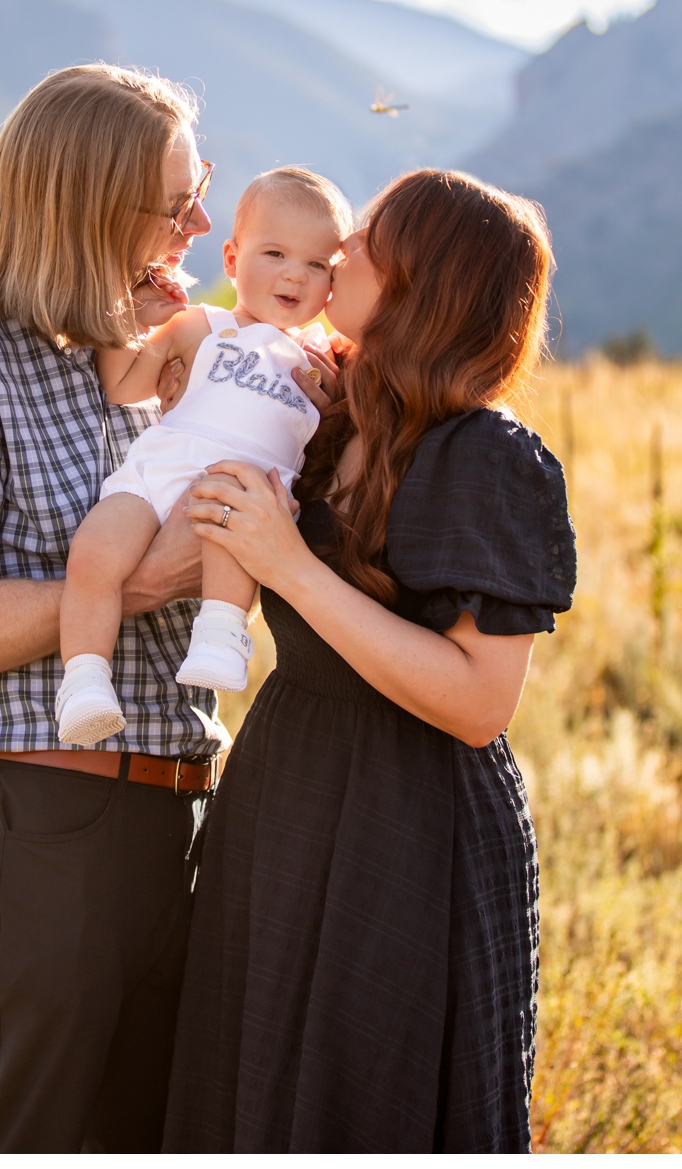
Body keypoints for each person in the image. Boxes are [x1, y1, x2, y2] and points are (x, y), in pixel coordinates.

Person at [164, 169, 575, 1152]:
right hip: (288, 786)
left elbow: (479, 703)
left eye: (368, 242)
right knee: (254, 1081)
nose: (340, 253)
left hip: (409, 818)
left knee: (366, 1094)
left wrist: (290, 568)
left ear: (421, 284)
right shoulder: (334, 411)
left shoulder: (484, 455)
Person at [0, 62, 223, 1153]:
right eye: (175, 204)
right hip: (50, 826)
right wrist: (143, 581)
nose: (200, 227)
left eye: (200, 191)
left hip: (181, 816)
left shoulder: (146, 360)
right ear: (89, 208)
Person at [54, 167, 347, 744]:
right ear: (233, 260)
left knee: (233, 528)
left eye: (317, 265)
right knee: (93, 554)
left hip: (243, 490)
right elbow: (124, 386)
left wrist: (337, 404)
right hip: (159, 468)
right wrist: (139, 322)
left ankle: (221, 632)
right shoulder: (200, 325)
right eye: (275, 254)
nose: (294, 274)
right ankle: (84, 679)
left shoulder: (325, 361)